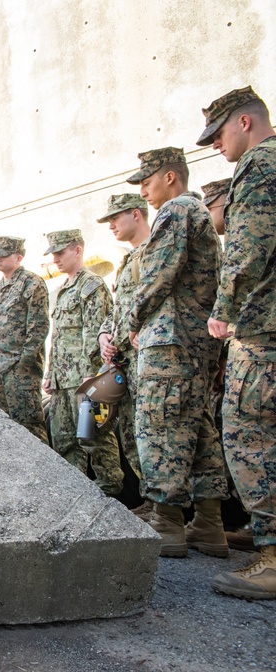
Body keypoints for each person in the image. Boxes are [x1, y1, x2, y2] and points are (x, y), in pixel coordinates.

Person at [126, 146, 226, 558]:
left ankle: (167, 523)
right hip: (193, 342)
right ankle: (208, 523)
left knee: (160, 426)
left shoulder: (177, 211)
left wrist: (130, 320)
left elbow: (156, 276)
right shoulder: (199, 214)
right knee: (197, 427)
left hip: (169, 339)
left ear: (170, 176)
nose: (144, 193)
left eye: (147, 182)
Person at [199, 86, 276, 598]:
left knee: (250, 437)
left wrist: (224, 313)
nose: (214, 145)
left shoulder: (259, 165)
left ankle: (273, 558)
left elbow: (248, 248)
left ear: (244, 123)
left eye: (218, 133)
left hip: (262, 331)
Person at [42, 229, 122, 496]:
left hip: (84, 379)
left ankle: (111, 490)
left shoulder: (92, 285)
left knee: (95, 436)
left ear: (78, 250)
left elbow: (95, 332)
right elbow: (60, 336)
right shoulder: (64, 288)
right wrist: (51, 374)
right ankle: (72, 492)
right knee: (64, 438)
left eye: (61, 252)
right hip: (63, 380)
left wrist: (94, 377)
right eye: (53, 254)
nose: (56, 259)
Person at [95, 194, 151, 515]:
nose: (111, 225)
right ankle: (148, 498)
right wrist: (105, 335)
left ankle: (164, 506)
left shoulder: (154, 253)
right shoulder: (128, 261)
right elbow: (116, 312)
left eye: (116, 218)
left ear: (136, 214)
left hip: (146, 364)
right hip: (122, 367)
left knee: (149, 434)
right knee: (129, 434)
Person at [0, 235, 49, 441]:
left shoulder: (31, 283)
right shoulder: (0, 286)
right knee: (1, 425)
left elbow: (38, 327)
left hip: (19, 369)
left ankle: (44, 471)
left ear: (18, 258)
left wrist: (24, 363)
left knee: (29, 426)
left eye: (4, 255)